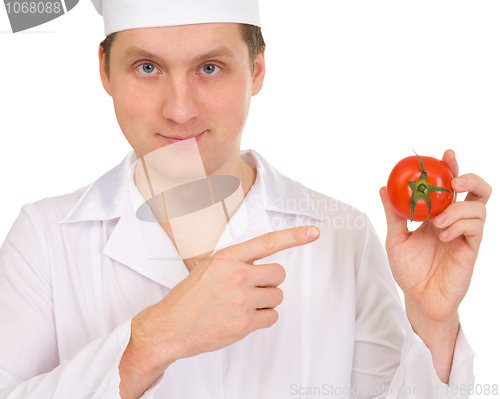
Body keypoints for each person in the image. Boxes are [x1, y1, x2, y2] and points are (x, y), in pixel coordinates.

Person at [0, 0, 492, 398]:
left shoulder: (343, 237)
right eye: (146, 67)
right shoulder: (44, 239)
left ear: (256, 70)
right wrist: (150, 341)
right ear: (105, 73)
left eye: (210, 68)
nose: (179, 108)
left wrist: (433, 320)